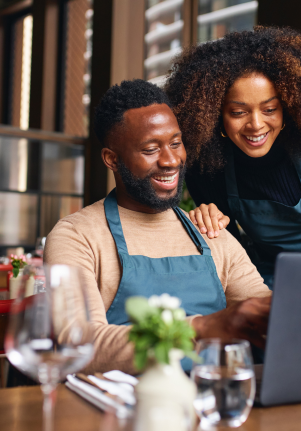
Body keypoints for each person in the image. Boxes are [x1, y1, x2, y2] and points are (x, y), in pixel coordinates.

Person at [44, 79, 271, 375]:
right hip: (120, 413)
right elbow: (78, 343)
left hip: (214, 403)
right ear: (112, 159)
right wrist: (202, 327)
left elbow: (264, 314)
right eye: (151, 149)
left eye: (176, 143)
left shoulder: (210, 231)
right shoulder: (77, 236)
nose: (171, 160)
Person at [165, 26, 301, 289]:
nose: (256, 125)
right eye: (238, 112)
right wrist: (208, 224)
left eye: (269, 109)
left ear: (288, 108)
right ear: (215, 116)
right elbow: (230, 257)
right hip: (263, 274)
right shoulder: (208, 168)